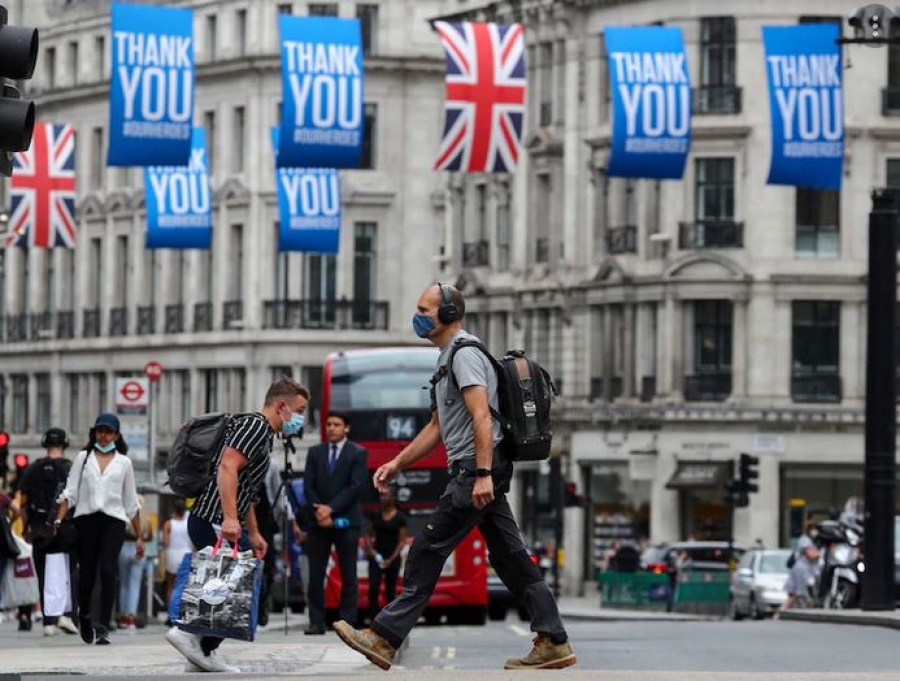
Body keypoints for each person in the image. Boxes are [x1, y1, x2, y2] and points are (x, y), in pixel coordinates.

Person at [333, 283, 576, 671]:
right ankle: (553, 640)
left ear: (448, 314)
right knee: (512, 558)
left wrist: (481, 474)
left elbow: (481, 415)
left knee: (427, 548)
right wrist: (397, 464)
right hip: (480, 469)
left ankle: (383, 636)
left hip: (475, 470)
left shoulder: (464, 355)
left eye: (423, 309)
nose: (417, 317)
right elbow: (436, 426)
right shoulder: (448, 358)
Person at [165, 378, 309, 674]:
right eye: (300, 410)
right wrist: (230, 519)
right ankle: (191, 636)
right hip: (213, 519)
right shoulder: (255, 427)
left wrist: (253, 531)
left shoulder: (262, 433)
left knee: (227, 583)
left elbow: (247, 490)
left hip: (220, 519)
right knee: (242, 583)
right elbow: (227, 467)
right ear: (282, 407)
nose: (301, 418)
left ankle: (201, 651)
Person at [56, 413, 143, 645]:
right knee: (87, 574)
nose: (103, 436)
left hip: (113, 521)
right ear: (94, 433)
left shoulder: (124, 463)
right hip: (86, 520)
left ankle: (103, 624)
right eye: (100, 431)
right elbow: (70, 493)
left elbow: (131, 502)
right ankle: (85, 616)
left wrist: (140, 537)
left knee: (107, 570)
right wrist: (58, 520)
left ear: (116, 435)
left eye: (108, 432)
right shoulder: (83, 458)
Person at [303, 412, 368, 634]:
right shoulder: (314, 452)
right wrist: (320, 511)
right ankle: (316, 621)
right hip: (318, 523)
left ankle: (347, 622)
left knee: (349, 573)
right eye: (328, 424)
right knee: (315, 574)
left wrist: (330, 509)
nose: (331, 428)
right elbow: (308, 486)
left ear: (346, 428)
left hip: (346, 522)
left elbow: (355, 487)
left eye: (336, 424)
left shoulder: (358, 453)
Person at [16, 427, 79, 636]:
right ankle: (68, 615)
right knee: (68, 571)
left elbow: (22, 502)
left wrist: (26, 527)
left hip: (39, 527)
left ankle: (48, 621)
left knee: (43, 574)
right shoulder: (71, 468)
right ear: (65, 443)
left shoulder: (33, 469)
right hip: (66, 527)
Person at [365, 488, 407, 622]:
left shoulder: (400, 518)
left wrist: (391, 559)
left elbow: (402, 541)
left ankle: (389, 620)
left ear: (393, 498)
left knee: (390, 590)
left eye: (386, 495)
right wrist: (372, 551)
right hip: (377, 555)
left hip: (392, 557)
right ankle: (373, 619)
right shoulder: (375, 515)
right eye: (381, 495)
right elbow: (367, 535)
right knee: (373, 588)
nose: (383, 498)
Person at [117, 495, 153, 630]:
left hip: (124, 547)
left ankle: (123, 616)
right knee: (135, 584)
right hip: (139, 548)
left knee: (124, 584)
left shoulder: (125, 514)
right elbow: (150, 535)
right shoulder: (145, 518)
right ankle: (132, 616)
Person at [778, 520, 821, 617]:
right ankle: (780, 613)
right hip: (802, 570)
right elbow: (811, 555)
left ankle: (780, 613)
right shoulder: (805, 540)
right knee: (798, 594)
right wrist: (821, 553)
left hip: (799, 569)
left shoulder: (805, 540)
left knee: (794, 595)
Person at [160, 499, 192, 618]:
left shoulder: (169, 524)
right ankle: (182, 613)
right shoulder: (188, 523)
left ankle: (171, 614)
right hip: (186, 553)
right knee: (184, 585)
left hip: (172, 553)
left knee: (171, 585)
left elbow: (165, 541)